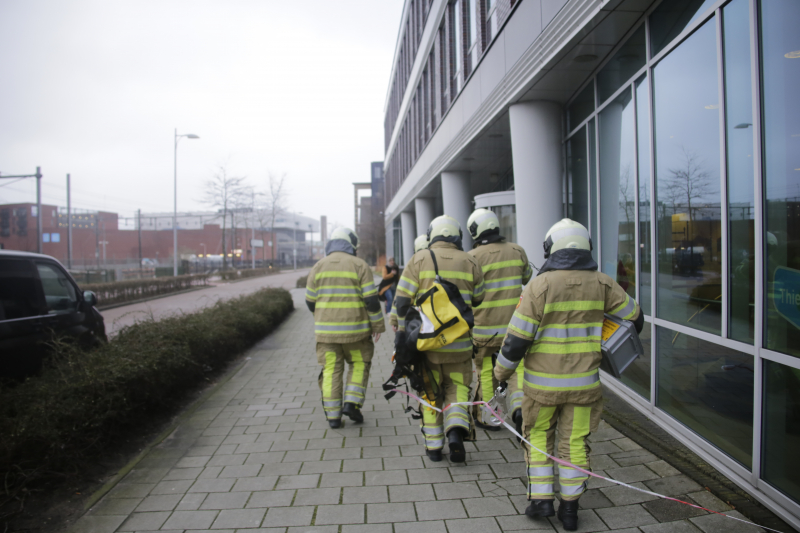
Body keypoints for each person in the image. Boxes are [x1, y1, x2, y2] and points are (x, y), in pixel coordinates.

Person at [493, 218, 643, 531]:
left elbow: (517, 339)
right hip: (585, 386)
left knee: (538, 438)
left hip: (541, 388)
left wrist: (500, 373)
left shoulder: (539, 285)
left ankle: (542, 500)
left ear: (551, 249)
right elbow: (635, 318)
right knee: (574, 442)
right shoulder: (602, 282)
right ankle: (571, 511)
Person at [395, 215, 484, 462]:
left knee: (430, 392)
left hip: (428, 346)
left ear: (432, 234)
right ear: (457, 235)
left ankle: (434, 447)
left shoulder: (419, 258)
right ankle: (455, 432)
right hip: (461, 345)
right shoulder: (471, 261)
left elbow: (402, 302)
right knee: (457, 389)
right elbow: (479, 299)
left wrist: (404, 336)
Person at [305, 227, 385, 428]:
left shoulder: (318, 266)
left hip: (326, 335)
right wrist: (377, 325)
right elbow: (371, 301)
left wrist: (323, 317)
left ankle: (333, 417)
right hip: (356, 332)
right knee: (359, 364)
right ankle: (352, 403)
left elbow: (309, 301)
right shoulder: (360, 265)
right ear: (352, 245)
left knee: (331, 370)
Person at [466, 208, 532, 431]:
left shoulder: (472, 257)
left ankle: (488, 417)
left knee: (486, 372)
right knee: (516, 370)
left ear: (475, 231)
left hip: (484, 331)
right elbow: (527, 278)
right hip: (514, 330)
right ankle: (519, 409)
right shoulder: (517, 250)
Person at [390, 234, 429, 333]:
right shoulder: (435, 264)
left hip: (413, 318)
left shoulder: (412, 265)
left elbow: (401, 294)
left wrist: (394, 319)